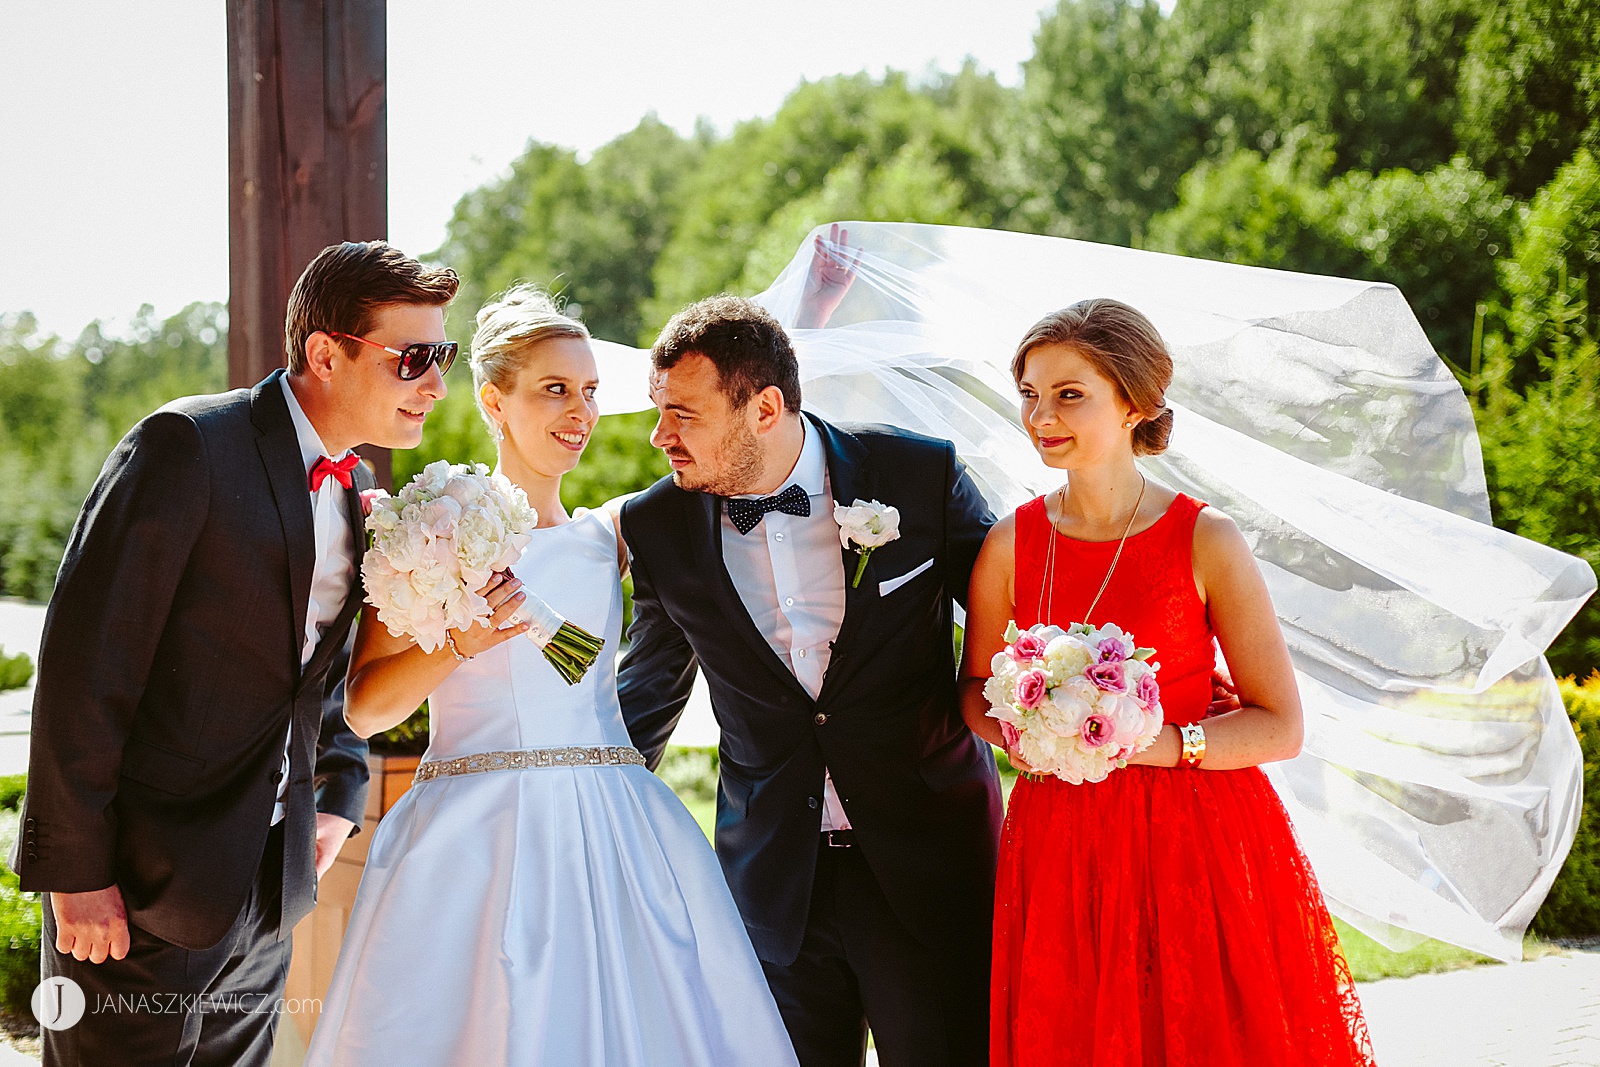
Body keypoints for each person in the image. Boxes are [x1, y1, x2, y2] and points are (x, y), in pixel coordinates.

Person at [305, 286, 800, 1066]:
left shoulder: (617, 535)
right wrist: (461, 641)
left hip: (615, 837)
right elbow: (362, 710)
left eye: (592, 391)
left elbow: (742, 457)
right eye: (556, 389)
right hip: (470, 845)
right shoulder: (423, 526)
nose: (581, 410)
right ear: (494, 401)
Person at [13, 240, 459, 1065]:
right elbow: (86, 667)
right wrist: (74, 874)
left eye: (446, 356)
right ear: (326, 352)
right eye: (416, 358)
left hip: (267, 888)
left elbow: (316, 676)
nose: (436, 383)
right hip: (140, 895)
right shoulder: (186, 445)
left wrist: (339, 789)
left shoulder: (361, 490)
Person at [959, 299, 1376, 1066]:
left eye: (1069, 393)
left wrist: (1152, 746)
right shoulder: (1010, 543)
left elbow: (1280, 724)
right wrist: (1039, 728)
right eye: (1029, 393)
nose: (1040, 414)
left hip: (1197, 839)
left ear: (1136, 405)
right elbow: (976, 690)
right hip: (1062, 842)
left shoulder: (1205, 538)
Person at [617, 294, 1002, 1067]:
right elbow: (644, 701)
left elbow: (1025, 624)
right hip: (771, 883)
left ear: (764, 407)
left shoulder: (919, 474)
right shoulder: (659, 527)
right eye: (659, 411)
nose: (660, 436)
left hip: (928, 866)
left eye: (683, 414)